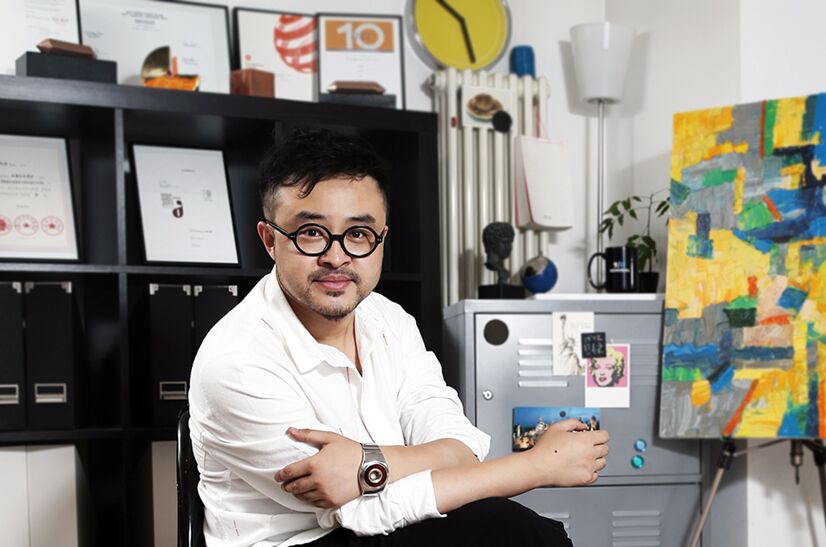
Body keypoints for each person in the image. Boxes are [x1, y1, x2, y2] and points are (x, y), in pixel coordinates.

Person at [188, 128, 610, 547]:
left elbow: (461, 447)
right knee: (510, 529)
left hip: (384, 527)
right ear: (270, 240)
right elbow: (359, 509)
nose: (336, 257)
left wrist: (368, 464)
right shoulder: (237, 361)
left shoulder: (388, 320)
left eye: (358, 234)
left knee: (514, 529)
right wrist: (535, 467)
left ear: (381, 240)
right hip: (302, 541)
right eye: (311, 232)